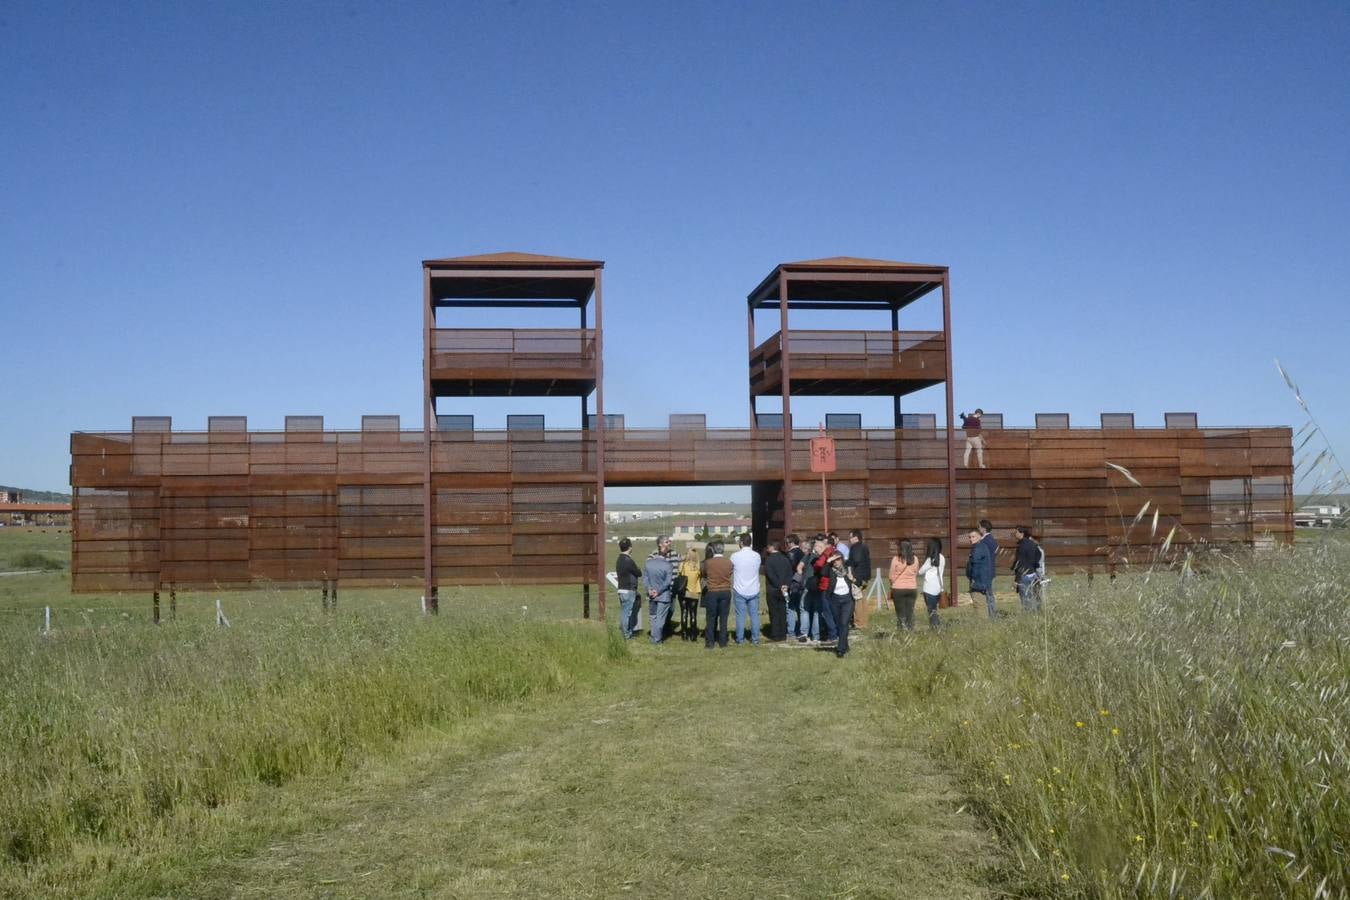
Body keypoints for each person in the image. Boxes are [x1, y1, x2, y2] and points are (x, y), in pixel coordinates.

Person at [730, 533, 762, 646]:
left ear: (741, 542)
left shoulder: (734, 556)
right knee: (754, 615)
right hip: (754, 588)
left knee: (740, 616)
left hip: (739, 589)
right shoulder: (757, 556)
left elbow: (731, 570)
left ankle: (740, 639)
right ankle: (755, 639)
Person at [701, 541, 733, 649]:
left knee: (711, 617)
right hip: (725, 591)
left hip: (712, 591)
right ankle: (723, 642)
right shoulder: (729, 562)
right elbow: (730, 573)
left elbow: (704, 574)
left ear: (713, 550)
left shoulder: (708, 563)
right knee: (723, 618)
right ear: (723, 550)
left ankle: (710, 642)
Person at [824, 549, 856, 657]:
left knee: (844, 623)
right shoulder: (830, 570)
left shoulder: (848, 569)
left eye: (838, 559)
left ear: (842, 559)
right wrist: (829, 561)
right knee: (839, 624)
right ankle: (845, 645)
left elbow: (856, 580)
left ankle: (840, 649)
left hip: (848, 600)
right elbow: (822, 572)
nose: (836, 562)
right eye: (834, 560)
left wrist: (853, 579)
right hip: (835, 600)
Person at [644, 536, 674, 645]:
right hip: (663, 596)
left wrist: (650, 590)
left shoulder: (648, 563)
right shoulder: (668, 565)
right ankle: (656, 639)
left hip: (651, 594)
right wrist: (658, 591)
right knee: (660, 619)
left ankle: (654, 637)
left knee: (653, 617)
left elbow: (645, 579)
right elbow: (667, 582)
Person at [763, 539, 794, 641]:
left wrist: (779, 585)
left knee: (774, 612)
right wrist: (786, 585)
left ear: (773, 547)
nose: (767, 548)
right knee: (782, 611)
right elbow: (790, 573)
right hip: (784, 589)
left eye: (769, 547)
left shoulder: (769, 560)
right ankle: (783, 633)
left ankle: (776, 634)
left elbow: (771, 576)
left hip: (773, 589)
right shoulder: (785, 558)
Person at [811, 536, 839, 643]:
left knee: (827, 612)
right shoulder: (835, 551)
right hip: (836, 585)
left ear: (820, 547)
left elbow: (818, 565)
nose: (815, 551)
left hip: (826, 585)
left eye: (816, 548)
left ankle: (832, 635)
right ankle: (838, 632)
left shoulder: (825, 554)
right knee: (835, 610)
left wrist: (818, 564)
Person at [888, 539, 920, 631]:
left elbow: (891, 576)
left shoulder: (896, 559)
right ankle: (910, 630)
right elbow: (916, 572)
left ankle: (901, 631)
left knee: (900, 613)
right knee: (910, 612)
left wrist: (892, 584)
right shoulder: (915, 559)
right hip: (912, 588)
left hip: (898, 589)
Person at [615, 538, 643, 640]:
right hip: (629, 589)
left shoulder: (619, 559)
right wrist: (638, 569)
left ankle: (626, 632)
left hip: (621, 588)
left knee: (624, 611)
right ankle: (626, 634)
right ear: (630, 547)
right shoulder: (628, 560)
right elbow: (638, 573)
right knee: (627, 613)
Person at [966, 527, 996, 621]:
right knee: (983, 604)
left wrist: (973, 579)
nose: (971, 539)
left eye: (973, 537)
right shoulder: (982, 547)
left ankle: (982, 625)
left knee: (979, 606)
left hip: (978, 582)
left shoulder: (978, 548)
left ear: (980, 537)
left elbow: (975, 565)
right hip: (983, 581)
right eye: (969, 537)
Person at [1012, 526, 1043, 613]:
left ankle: (1029, 617)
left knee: (1026, 599)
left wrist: (1016, 580)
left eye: (1016, 532)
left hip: (1024, 576)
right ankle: (1037, 614)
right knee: (1034, 596)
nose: (1015, 534)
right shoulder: (1032, 543)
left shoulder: (1021, 546)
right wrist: (1033, 565)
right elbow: (1039, 554)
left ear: (1021, 533)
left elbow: (1020, 564)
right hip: (1033, 574)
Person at [917, 537, 945, 630]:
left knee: (931, 611)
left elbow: (920, 571)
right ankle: (937, 627)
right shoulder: (942, 557)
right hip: (938, 588)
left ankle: (936, 628)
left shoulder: (930, 560)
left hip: (929, 589)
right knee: (934, 610)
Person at [847, 528, 873, 628]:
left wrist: (847, 562)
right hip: (865, 577)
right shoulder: (864, 546)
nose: (849, 540)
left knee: (857, 601)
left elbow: (856, 560)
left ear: (855, 537)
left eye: (850, 537)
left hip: (857, 577)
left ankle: (859, 623)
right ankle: (864, 622)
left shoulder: (855, 547)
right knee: (863, 601)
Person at [785, 534, 807, 640]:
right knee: (801, 608)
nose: (786, 545)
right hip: (802, 583)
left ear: (791, 542)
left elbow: (789, 569)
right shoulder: (803, 553)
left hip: (793, 583)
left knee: (791, 608)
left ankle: (791, 632)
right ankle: (802, 630)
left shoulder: (790, 554)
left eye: (787, 542)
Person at [678, 548, 702, 640]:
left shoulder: (683, 565)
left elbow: (679, 574)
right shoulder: (697, 567)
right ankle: (693, 635)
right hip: (694, 592)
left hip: (684, 592)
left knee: (684, 613)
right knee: (693, 614)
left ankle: (684, 635)